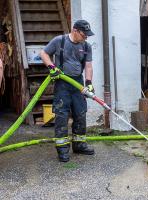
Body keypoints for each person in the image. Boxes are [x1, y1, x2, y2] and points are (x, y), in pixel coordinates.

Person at [40, 20, 95, 162]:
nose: (86, 38)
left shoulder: (87, 46)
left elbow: (88, 66)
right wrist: (52, 67)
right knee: (61, 116)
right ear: (75, 30)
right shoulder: (60, 41)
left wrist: (89, 83)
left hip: (78, 83)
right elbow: (44, 53)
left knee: (80, 113)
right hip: (62, 83)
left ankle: (79, 144)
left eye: (87, 36)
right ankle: (63, 149)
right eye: (84, 35)